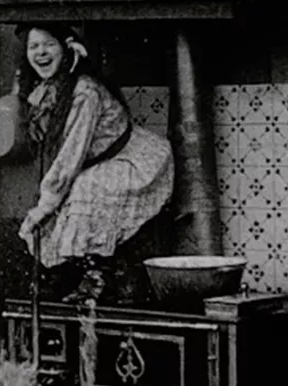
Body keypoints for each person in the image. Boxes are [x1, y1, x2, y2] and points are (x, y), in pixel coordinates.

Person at [16, 24, 174, 304]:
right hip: (96, 161)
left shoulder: (84, 93)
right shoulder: (47, 88)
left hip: (132, 160)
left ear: (67, 49)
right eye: (33, 46)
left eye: (48, 45)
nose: (40, 53)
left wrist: (45, 204)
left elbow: (70, 155)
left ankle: (97, 280)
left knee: (83, 190)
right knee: (65, 200)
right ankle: (63, 275)